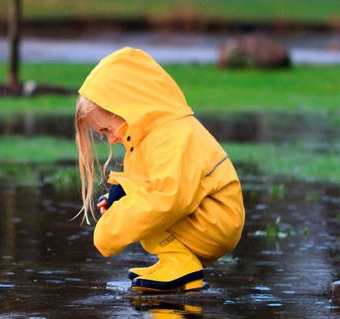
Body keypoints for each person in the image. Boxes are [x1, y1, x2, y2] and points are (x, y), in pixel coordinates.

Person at [75, 47, 245, 292]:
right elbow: (148, 182)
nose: (111, 140)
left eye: (107, 130)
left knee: (148, 210)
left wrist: (110, 229)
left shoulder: (172, 135)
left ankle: (182, 265)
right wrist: (119, 196)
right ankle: (174, 261)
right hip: (205, 219)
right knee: (140, 206)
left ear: (127, 108)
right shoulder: (151, 135)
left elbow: (168, 199)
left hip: (215, 225)